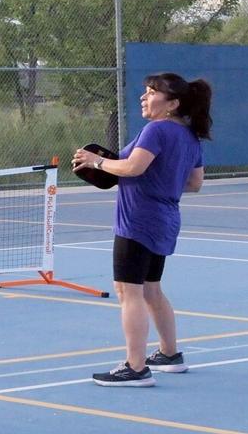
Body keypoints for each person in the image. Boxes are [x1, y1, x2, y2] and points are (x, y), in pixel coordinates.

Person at [72, 72, 211, 387]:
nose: (143, 97)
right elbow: (194, 183)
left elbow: (132, 167)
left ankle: (135, 367)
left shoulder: (156, 130)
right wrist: (158, 177)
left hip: (137, 219)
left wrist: (96, 162)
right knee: (151, 289)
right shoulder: (189, 137)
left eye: (151, 92)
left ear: (172, 104)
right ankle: (169, 354)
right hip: (165, 219)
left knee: (127, 291)